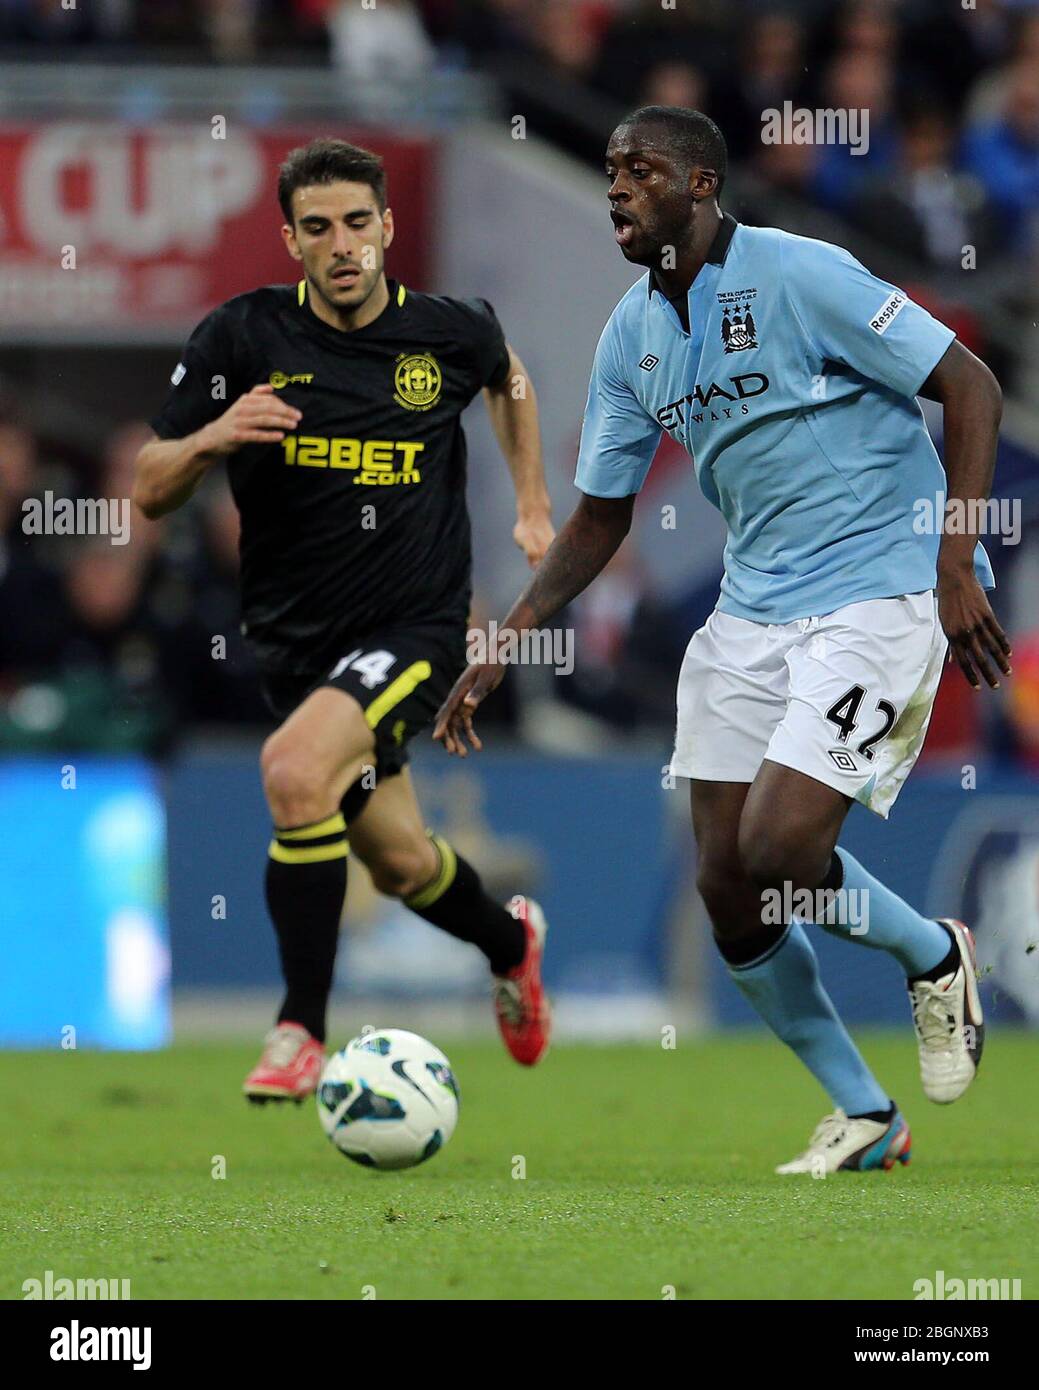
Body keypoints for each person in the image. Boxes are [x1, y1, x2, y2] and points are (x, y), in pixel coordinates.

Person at [435, 106, 1011, 1175]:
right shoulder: (630, 337)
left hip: (880, 588)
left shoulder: (802, 273)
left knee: (782, 847)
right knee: (725, 884)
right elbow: (601, 514)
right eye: (608, 171)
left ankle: (932, 954)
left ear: (701, 186)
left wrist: (949, 561)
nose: (617, 188)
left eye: (640, 170)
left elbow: (967, 386)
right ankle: (864, 1112)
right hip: (753, 611)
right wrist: (510, 634)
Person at [135, 138, 555, 1101]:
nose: (342, 244)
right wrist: (212, 436)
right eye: (317, 228)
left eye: (357, 223)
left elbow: (510, 376)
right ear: (291, 240)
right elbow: (148, 487)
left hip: (415, 627)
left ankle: (298, 1030)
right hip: (297, 646)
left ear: (387, 227)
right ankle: (510, 941)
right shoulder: (241, 339)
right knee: (403, 862)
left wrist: (530, 503)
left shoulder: (446, 332)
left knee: (291, 772)